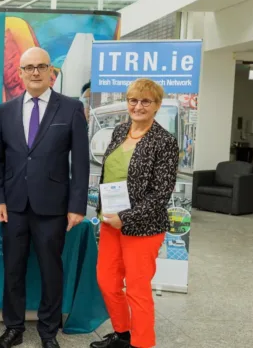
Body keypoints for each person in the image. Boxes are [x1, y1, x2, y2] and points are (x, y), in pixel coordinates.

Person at [0, 47, 89, 348]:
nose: (34, 72)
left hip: (53, 207)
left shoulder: (70, 108)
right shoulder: (5, 110)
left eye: (41, 66)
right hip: (14, 206)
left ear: (50, 73)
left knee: (50, 270)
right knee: (13, 269)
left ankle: (48, 332)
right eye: (28, 67)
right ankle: (14, 329)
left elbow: (80, 163)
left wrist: (76, 206)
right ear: (19, 73)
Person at [90, 78, 178, 348]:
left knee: (138, 290)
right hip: (110, 223)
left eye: (145, 101)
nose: (138, 106)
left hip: (143, 227)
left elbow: (161, 194)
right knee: (107, 281)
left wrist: (125, 217)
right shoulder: (119, 131)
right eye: (133, 100)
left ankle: (141, 343)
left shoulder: (164, 142)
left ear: (157, 105)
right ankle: (122, 333)